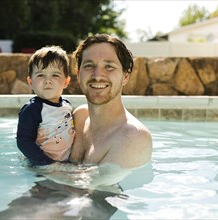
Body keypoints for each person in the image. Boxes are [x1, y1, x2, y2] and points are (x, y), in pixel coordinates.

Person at [69, 33, 152, 169]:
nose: (97, 76)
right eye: (89, 66)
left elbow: (94, 187)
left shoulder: (134, 137)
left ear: (125, 76)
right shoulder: (80, 117)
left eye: (109, 67)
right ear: (78, 74)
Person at [16, 45, 75, 166]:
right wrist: (47, 164)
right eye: (40, 75)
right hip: (41, 166)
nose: (48, 80)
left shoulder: (67, 106)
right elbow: (24, 142)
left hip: (65, 163)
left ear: (66, 82)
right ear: (30, 82)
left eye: (55, 75)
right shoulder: (32, 109)